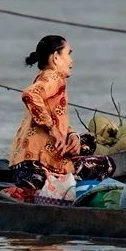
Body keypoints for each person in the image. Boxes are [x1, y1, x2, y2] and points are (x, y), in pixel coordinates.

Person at [9, 34, 84, 176]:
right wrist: (52, 129)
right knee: (105, 163)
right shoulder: (54, 77)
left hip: (21, 162)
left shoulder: (43, 76)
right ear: (56, 57)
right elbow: (29, 94)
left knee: (83, 141)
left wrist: (71, 134)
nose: (71, 60)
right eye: (68, 54)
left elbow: (54, 116)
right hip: (37, 164)